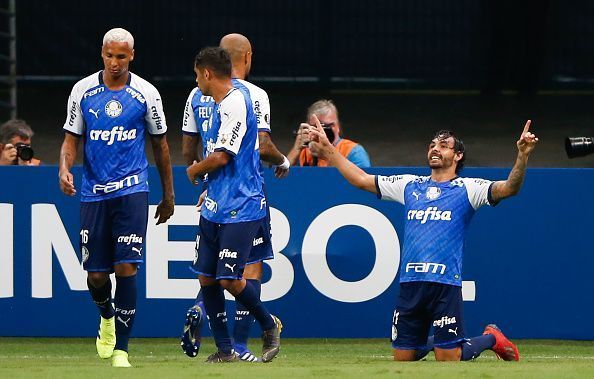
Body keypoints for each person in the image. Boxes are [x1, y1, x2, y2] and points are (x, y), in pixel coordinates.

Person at [307, 116, 538, 362]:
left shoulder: (469, 188)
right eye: (432, 145)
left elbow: (509, 188)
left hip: (445, 284)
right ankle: (437, 343)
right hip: (411, 284)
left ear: (458, 156)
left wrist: (522, 155)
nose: (435, 149)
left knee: (447, 359)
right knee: (404, 359)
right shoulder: (409, 185)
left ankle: (491, 337)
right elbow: (362, 180)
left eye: (443, 145)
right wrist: (330, 152)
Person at [58, 28, 175, 368]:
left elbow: (161, 145)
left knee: (126, 268)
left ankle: (122, 349)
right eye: (110, 56)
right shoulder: (82, 91)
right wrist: (64, 169)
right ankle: (106, 316)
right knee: (96, 276)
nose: (115, 63)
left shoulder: (146, 94)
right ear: (102, 54)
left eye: (121, 57)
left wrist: (168, 194)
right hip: (93, 192)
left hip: (132, 190)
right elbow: (70, 139)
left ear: (132, 56)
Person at [180, 33, 288, 362]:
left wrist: (194, 171)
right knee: (207, 277)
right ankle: (227, 349)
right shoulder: (211, 99)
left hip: (242, 204)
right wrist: (205, 179)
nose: (195, 80)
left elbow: (222, 155)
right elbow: (261, 147)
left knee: (229, 277)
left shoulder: (238, 101)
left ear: (208, 73)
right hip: (215, 204)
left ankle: (267, 325)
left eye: (197, 74)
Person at [287, 99, 371, 167]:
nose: (323, 131)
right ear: (308, 127)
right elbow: (280, 180)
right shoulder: (304, 153)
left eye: (329, 126)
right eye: (317, 126)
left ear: (338, 126)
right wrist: (296, 149)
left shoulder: (353, 151)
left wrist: (328, 155)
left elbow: (363, 183)